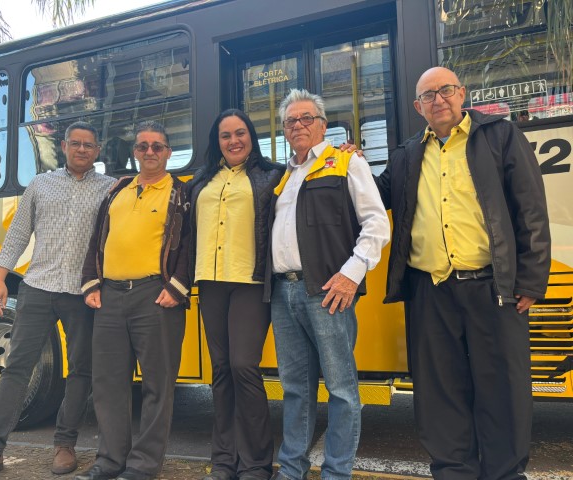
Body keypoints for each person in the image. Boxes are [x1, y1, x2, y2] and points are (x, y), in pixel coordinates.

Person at [374, 66, 551, 479]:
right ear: (418, 107)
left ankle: (505, 474)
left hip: (493, 286)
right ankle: (454, 472)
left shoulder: (499, 136)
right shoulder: (405, 154)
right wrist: (346, 164)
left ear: (462, 93)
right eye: (428, 95)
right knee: (440, 394)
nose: (438, 100)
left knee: (503, 391)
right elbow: (373, 197)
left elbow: (530, 209)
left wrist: (530, 280)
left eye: (445, 90)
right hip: (429, 290)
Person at [0, 121, 116, 480]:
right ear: (64, 146)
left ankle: (65, 444)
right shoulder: (40, 184)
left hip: (83, 292)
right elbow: (18, 233)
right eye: (75, 143)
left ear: (98, 150)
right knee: (17, 368)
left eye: (89, 144)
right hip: (38, 287)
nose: (82, 149)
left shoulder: (110, 189)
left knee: (81, 370)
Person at [265, 89, 390, 480]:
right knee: (295, 389)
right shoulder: (283, 176)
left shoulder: (346, 161)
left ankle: (337, 473)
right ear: (284, 130)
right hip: (283, 292)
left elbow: (376, 223)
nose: (298, 125)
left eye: (307, 118)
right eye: (290, 121)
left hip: (327, 292)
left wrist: (352, 274)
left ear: (322, 125)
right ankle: (292, 470)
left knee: (341, 388)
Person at [78, 121, 190, 480]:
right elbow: (98, 238)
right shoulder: (117, 191)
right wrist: (91, 283)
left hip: (155, 296)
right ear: (135, 152)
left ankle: (142, 467)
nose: (150, 152)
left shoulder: (181, 193)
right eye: (143, 146)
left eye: (157, 146)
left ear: (168, 152)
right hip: (109, 297)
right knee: (108, 383)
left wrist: (177, 287)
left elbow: (192, 243)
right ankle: (110, 461)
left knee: (158, 385)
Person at [188, 109, 284, 480]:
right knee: (221, 370)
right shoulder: (202, 180)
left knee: (244, 366)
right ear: (217, 141)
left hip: (249, 281)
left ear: (251, 137)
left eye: (240, 133)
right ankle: (224, 461)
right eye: (225, 135)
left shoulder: (272, 175)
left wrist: (344, 155)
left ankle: (257, 463)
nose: (233, 141)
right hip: (210, 282)